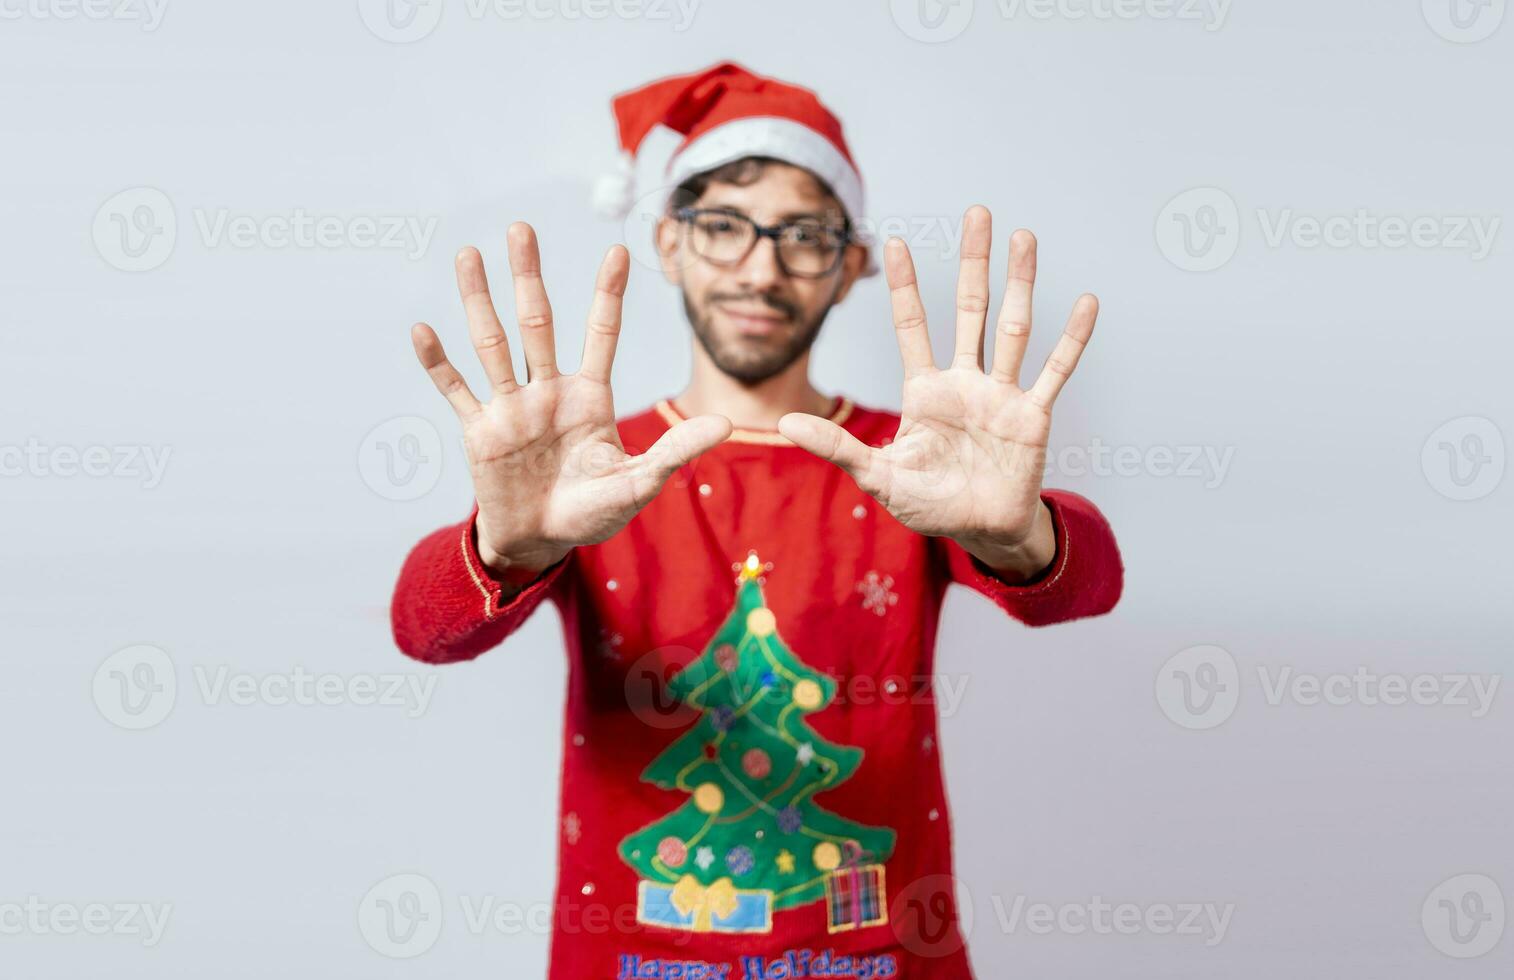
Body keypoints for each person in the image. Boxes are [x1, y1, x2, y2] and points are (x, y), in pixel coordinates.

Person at [391, 62, 1124, 979]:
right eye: (724, 226)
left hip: (886, 959)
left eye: (805, 235)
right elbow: (422, 628)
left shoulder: (915, 465)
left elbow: (1088, 584)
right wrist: (507, 546)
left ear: (851, 264)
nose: (761, 268)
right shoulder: (589, 475)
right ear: (669, 240)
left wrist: (1021, 536)